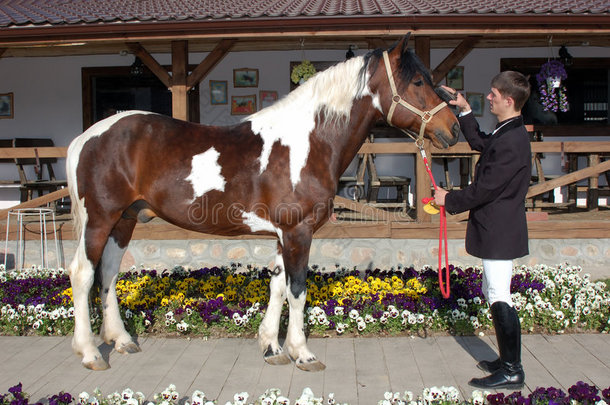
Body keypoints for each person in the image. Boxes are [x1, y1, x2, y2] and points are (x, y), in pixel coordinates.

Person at [434, 71, 531, 390]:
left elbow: (485, 188)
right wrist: (463, 109)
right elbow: (479, 142)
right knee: (493, 290)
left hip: (500, 230)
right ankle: (505, 361)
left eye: (492, 94)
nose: (488, 97)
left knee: (500, 295)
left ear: (509, 100)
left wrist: (449, 199)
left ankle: (513, 370)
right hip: (497, 227)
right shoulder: (508, 131)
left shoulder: (513, 140)